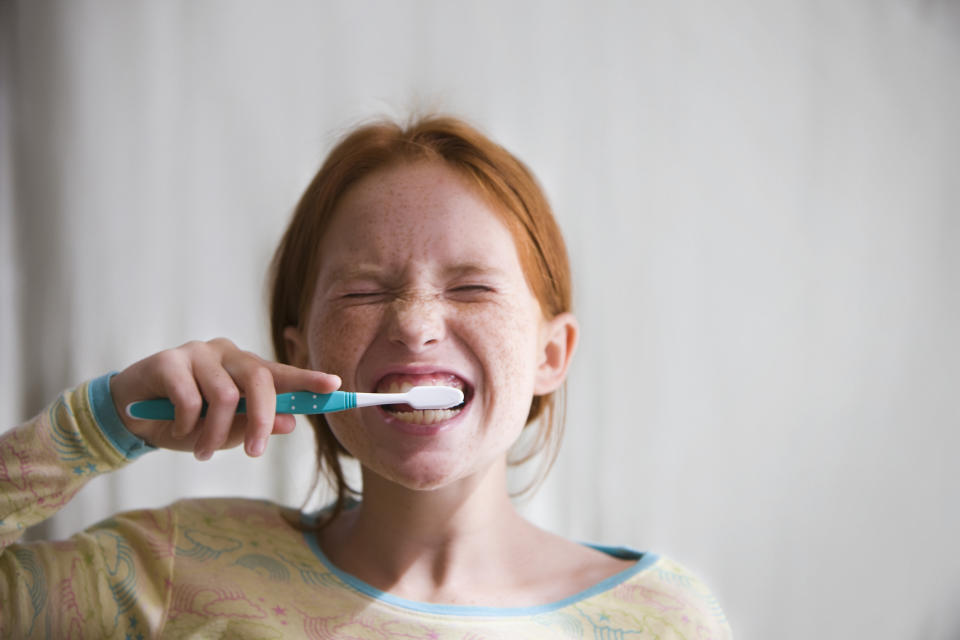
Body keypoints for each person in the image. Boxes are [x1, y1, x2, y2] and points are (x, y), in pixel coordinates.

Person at [0, 115, 732, 638]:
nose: (415, 323)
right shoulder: (173, 568)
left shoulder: (660, 621)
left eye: (471, 288)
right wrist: (96, 425)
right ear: (301, 348)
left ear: (551, 353)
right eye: (362, 291)